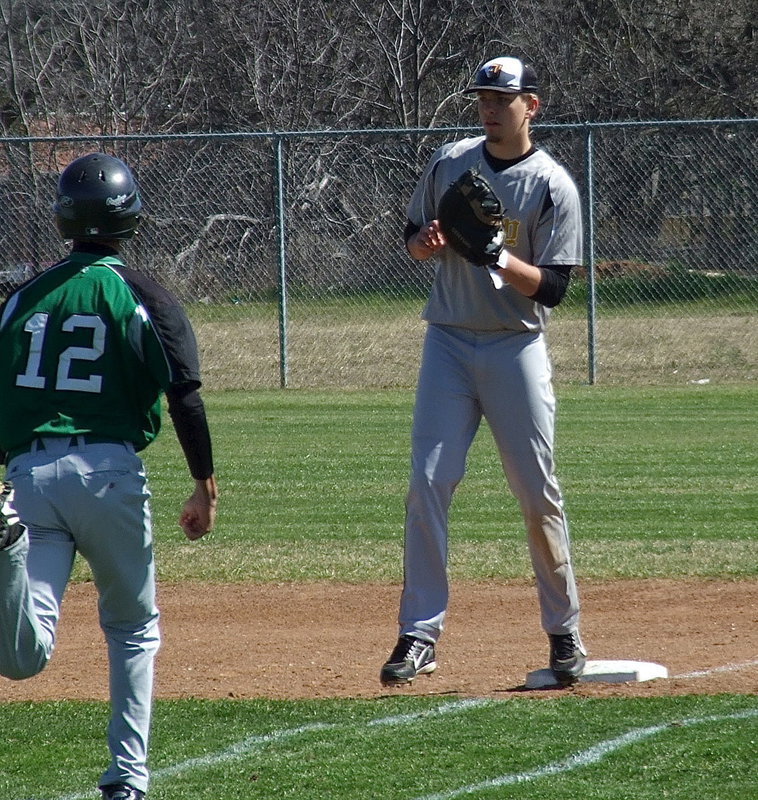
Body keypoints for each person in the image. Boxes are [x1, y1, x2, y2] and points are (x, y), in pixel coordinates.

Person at [0, 153, 218, 800]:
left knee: (22, 656)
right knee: (131, 627)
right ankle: (127, 780)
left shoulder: (21, 298)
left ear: (65, 217)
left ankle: (8, 548)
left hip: (30, 477)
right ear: (132, 216)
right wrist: (204, 483)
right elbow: (184, 393)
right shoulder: (142, 292)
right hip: (109, 473)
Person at [380, 56, 586, 688]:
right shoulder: (451, 162)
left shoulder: (552, 185)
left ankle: (564, 630)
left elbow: (552, 287)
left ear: (532, 105)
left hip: (513, 346)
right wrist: (429, 245)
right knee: (428, 483)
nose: (491, 107)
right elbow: (412, 236)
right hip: (447, 340)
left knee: (536, 492)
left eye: (503, 97)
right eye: (484, 97)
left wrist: (493, 251)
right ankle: (419, 634)